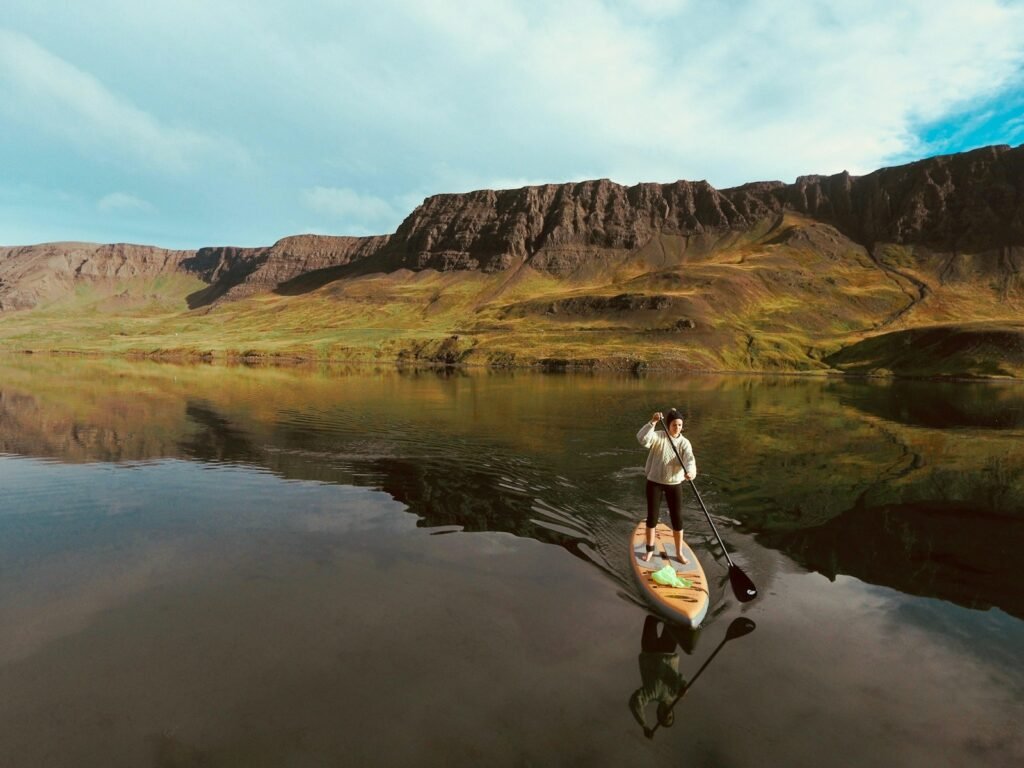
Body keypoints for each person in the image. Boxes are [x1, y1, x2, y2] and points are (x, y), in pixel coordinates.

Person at [636, 408, 697, 564]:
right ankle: (649, 550)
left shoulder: (684, 443)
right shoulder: (658, 436)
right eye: (674, 425)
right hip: (654, 482)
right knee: (652, 517)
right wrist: (653, 422)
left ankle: (678, 553)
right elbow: (642, 438)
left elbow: (690, 460)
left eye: (679, 425)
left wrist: (690, 472)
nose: (677, 428)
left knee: (677, 519)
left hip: (674, 484)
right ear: (668, 425)